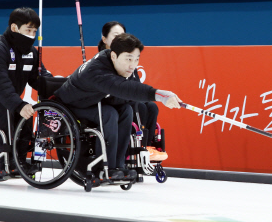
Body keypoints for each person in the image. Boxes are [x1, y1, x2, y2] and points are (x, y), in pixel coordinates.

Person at [55, 33, 181, 181]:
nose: (133, 65)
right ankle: (105, 167)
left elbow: (132, 91)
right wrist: (159, 95)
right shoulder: (97, 70)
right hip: (72, 105)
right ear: (114, 56)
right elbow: (124, 88)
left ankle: (119, 166)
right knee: (109, 114)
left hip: (96, 102)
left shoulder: (125, 67)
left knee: (126, 110)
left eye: (136, 59)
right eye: (128, 59)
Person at [0, 7, 52, 175]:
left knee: (27, 113)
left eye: (35, 31)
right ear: (14, 28)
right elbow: (1, 85)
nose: (32, 35)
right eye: (28, 30)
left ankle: (20, 160)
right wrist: (18, 105)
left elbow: (39, 78)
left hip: (6, 99)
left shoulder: (31, 53)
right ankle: (8, 160)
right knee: (10, 109)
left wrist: (59, 86)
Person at [98, 22, 166, 161]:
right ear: (104, 39)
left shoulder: (128, 59)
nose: (118, 39)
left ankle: (147, 145)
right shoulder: (101, 61)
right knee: (138, 106)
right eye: (115, 36)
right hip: (111, 101)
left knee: (151, 106)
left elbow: (136, 85)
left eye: (122, 36)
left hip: (128, 97)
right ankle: (134, 148)